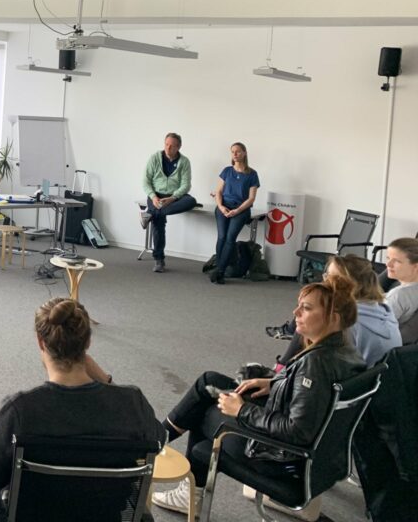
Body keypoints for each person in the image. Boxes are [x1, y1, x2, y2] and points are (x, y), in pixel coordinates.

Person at [153, 275, 366, 515]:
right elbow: (316, 400)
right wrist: (274, 384)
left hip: (278, 459)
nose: (295, 312)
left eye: (306, 308)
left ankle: (180, 480)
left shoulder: (315, 365)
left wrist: (242, 410)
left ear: (333, 319)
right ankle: (156, 442)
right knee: (209, 381)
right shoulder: (345, 350)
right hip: (317, 458)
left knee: (202, 413)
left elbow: (297, 430)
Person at [0, 298, 164, 521]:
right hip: (105, 515)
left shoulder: (20, 410)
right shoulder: (132, 404)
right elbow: (159, 439)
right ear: (87, 343)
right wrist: (106, 380)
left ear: (41, 342)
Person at [140, 132, 196, 273]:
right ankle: (159, 260)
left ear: (179, 147)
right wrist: (153, 197)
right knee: (159, 223)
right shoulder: (155, 158)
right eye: (166, 144)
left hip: (173, 198)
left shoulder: (184, 162)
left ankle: (151, 213)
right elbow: (146, 181)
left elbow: (186, 185)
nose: (168, 148)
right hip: (156, 196)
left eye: (172, 146)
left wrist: (172, 198)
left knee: (191, 201)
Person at [210, 142, 260, 284]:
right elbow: (218, 191)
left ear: (244, 153)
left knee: (230, 238)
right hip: (223, 207)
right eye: (233, 152)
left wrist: (237, 210)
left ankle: (219, 271)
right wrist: (221, 206)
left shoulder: (252, 174)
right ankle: (220, 269)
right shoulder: (227, 171)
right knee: (222, 237)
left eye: (238, 151)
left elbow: (251, 198)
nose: (235, 154)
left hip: (241, 210)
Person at [383, 237, 418, 345]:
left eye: (397, 261)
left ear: (416, 266)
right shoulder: (410, 291)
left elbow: (377, 328)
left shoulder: (399, 295)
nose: (388, 265)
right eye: (388, 258)